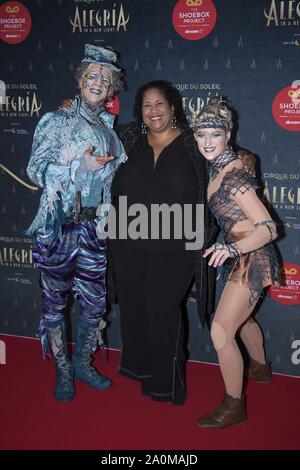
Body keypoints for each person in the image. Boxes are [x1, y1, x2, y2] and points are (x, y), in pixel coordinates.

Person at [109, 81, 255, 405]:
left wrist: (245, 156)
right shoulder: (127, 137)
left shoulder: (193, 141)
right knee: (134, 309)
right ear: (139, 110)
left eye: (159, 103)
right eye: (147, 105)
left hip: (177, 239)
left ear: (173, 106)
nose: (153, 111)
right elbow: (94, 135)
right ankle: (140, 369)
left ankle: (165, 384)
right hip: (126, 236)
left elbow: (222, 153)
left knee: (162, 309)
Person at [25, 44, 127, 402]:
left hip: (94, 231)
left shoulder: (111, 131)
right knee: (54, 304)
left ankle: (83, 363)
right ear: (80, 81)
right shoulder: (58, 121)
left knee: (94, 304)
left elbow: (110, 185)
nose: (98, 82)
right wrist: (76, 168)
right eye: (91, 76)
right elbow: (35, 169)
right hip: (60, 227)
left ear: (113, 87)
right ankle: (63, 371)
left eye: (106, 78)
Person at [192, 97, 282, 428]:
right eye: (201, 136)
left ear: (228, 134)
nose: (207, 142)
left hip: (253, 256)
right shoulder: (217, 170)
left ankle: (234, 406)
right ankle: (260, 368)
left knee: (220, 330)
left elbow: (270, 229)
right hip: (243, 253)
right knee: (241, 320)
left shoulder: (234, 177)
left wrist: (231, 249)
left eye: (214, 134)